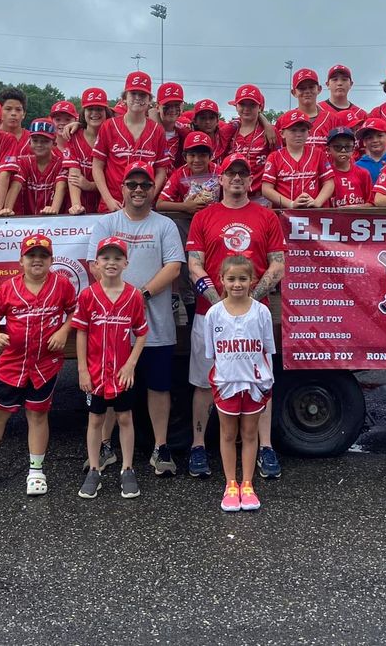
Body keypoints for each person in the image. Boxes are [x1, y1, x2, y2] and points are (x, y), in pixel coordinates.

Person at [186, 154, 285, 479]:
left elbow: (277, 263)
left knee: (260, 380)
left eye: (243, 173)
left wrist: (249, 302)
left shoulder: (265, 216)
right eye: (232, 174)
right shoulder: (205, 216)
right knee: (204, 380)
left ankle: (266, 447)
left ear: (251, 180)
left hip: (254, 315)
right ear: (222, 179)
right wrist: (220, 303)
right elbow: (194, 263)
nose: (238, 179)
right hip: (209, 312)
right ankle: (199, 445)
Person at [0, 234, 77, 495]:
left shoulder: (62, 285)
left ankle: (36, 470)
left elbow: (75, 312)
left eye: (43, 256)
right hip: (12, 364)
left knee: (37, 414)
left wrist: (64, 331)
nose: (37, 260)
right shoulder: (8, 287)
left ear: (51, 260)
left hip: (45, 365)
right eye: (31, 256)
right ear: (21, 260)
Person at [89, 163, 185, 476]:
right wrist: (120, 300)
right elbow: (95, 265)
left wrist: (137, 297)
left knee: (159, 387)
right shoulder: (106, 223)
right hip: (111, 330)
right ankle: (105, 447)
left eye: (145, 184)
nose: (139, 189)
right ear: (123, 188)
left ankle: (160, 448)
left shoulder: (165, 225)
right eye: (132, 184)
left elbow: (173, 268)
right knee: (110, 388)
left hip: (155, 324)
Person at [73, 236, 149, 499]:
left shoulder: (133, 295)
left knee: (125, 417)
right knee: (95, 419)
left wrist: (130, 365)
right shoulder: (87, 295)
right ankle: (94, 468)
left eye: (117, 258)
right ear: (96, 263)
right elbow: (81, 332)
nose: (111, 263)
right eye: (105, 258)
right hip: (95, 372)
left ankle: (127, 468)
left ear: (126, 263)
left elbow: (141, 333)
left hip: (121, 373)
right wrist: (82, 369)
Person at [206, 255, 277, 512]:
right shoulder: (214, 314)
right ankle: (230, 483)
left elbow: (267, 349)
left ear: (252, 281)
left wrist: (265, 381)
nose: (237, 284)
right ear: (222, 281)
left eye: (243, 279)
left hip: (255, 383)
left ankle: (247, 483)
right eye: (231, 279)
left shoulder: (262, 312)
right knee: (227, 434)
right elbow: (212, 352)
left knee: (249, 433)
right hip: (226, 382)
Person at [92, 72, 171, 212]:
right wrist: (108, 199)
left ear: (149, 100)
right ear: (124, 98)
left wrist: (150, 196)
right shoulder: (109, 126)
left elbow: (161, 170)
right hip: (113, 204)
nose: (138, 98)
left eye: (143, 95)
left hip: (144, 206)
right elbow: (97, 166)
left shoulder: (157, 130)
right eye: (133, 93)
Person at [260, 109, 335, 209]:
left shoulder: (318, 154)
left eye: (303, 130)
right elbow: (266, 189)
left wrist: (318, 201)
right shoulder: (274, 157)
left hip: (314, 215)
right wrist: (290, 204)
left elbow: (329, 183)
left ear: (309, 133)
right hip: (285, 214)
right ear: (282, 133)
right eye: (293, 130)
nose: (298, 134)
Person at [3, 119, 66, 216]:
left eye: (45, 141)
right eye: (35, 140)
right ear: (29, 142)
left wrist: (54, 208)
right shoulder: (23, 162)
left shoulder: (61, 163)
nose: (39, 144)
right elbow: (16, 185)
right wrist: (7, 209)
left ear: (54, 144)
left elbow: (61, 186)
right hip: (26, 222)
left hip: (53, 222)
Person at [224, 84, 275, 201]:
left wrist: (266, 123)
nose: (247, 109)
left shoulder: (269, 131)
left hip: (261, 196)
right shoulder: (229, 130)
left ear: (260, 107)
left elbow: (277, 161)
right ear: (236, 106)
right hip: (232, 194)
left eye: (252, 105)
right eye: (242, 104)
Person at [65, 87, 110, 215]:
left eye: (99, 109)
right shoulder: (74, 135)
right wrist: (76, 205)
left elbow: (113, 178)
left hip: (105, 203)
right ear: (83, 112)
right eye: (90, 109)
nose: (95, 113)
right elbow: (74, 175)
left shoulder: (112, 135)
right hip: (79, 204)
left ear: (106, 111)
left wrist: (91, 185)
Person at [156, 132, 220, 214]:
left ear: (211, 157)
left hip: (213, 217)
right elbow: (159, 204)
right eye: (192, 155)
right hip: (188, 219)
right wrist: (185, 207)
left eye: (202, 155)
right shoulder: (179, 174)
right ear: (185, 157)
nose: (197, 160)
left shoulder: (219, 172)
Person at [325, 126, 373, 208]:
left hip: (359, 218)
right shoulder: (326, 175)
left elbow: (372, 203)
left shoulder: (363, 173)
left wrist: (355, 208)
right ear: (328, 150)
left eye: (347, 147)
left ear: (353, 149)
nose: (343, 150)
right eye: (337, 147)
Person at [290, 68, 338, 149]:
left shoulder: (332, 119)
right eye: (302, 88)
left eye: (311, 87)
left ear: (319, 89)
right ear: (294, 92)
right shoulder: (285, 120)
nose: (307, 91)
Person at [356, 116, 386, 184]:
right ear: (364, 142)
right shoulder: (357, 166)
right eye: (369, 137)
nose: (375, 140)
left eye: (379, 136)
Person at [0, 86, 31, 158]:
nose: (13, 113)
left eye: (18, 109)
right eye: (8, 109)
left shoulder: (33, 139)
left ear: (24, 114)